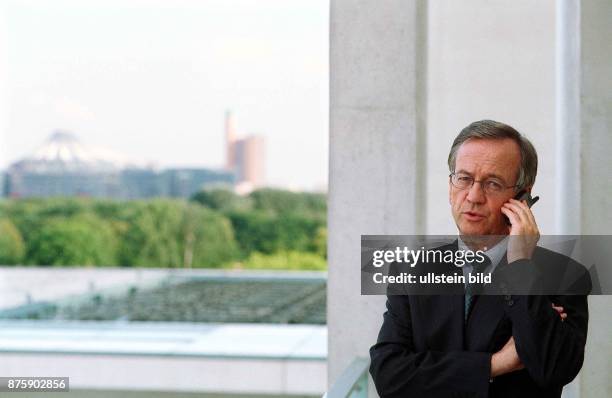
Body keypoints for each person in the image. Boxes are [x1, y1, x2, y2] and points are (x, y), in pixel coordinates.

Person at [369, 120, 591, 398]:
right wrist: (493, 365)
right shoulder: (412, 269)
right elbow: (389, 376)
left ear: (523, 197)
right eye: (463, 179)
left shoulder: (565, 274)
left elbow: (552, 369)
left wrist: (520, 265)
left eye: (493, 183)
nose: (473, 196)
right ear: (451, 186)